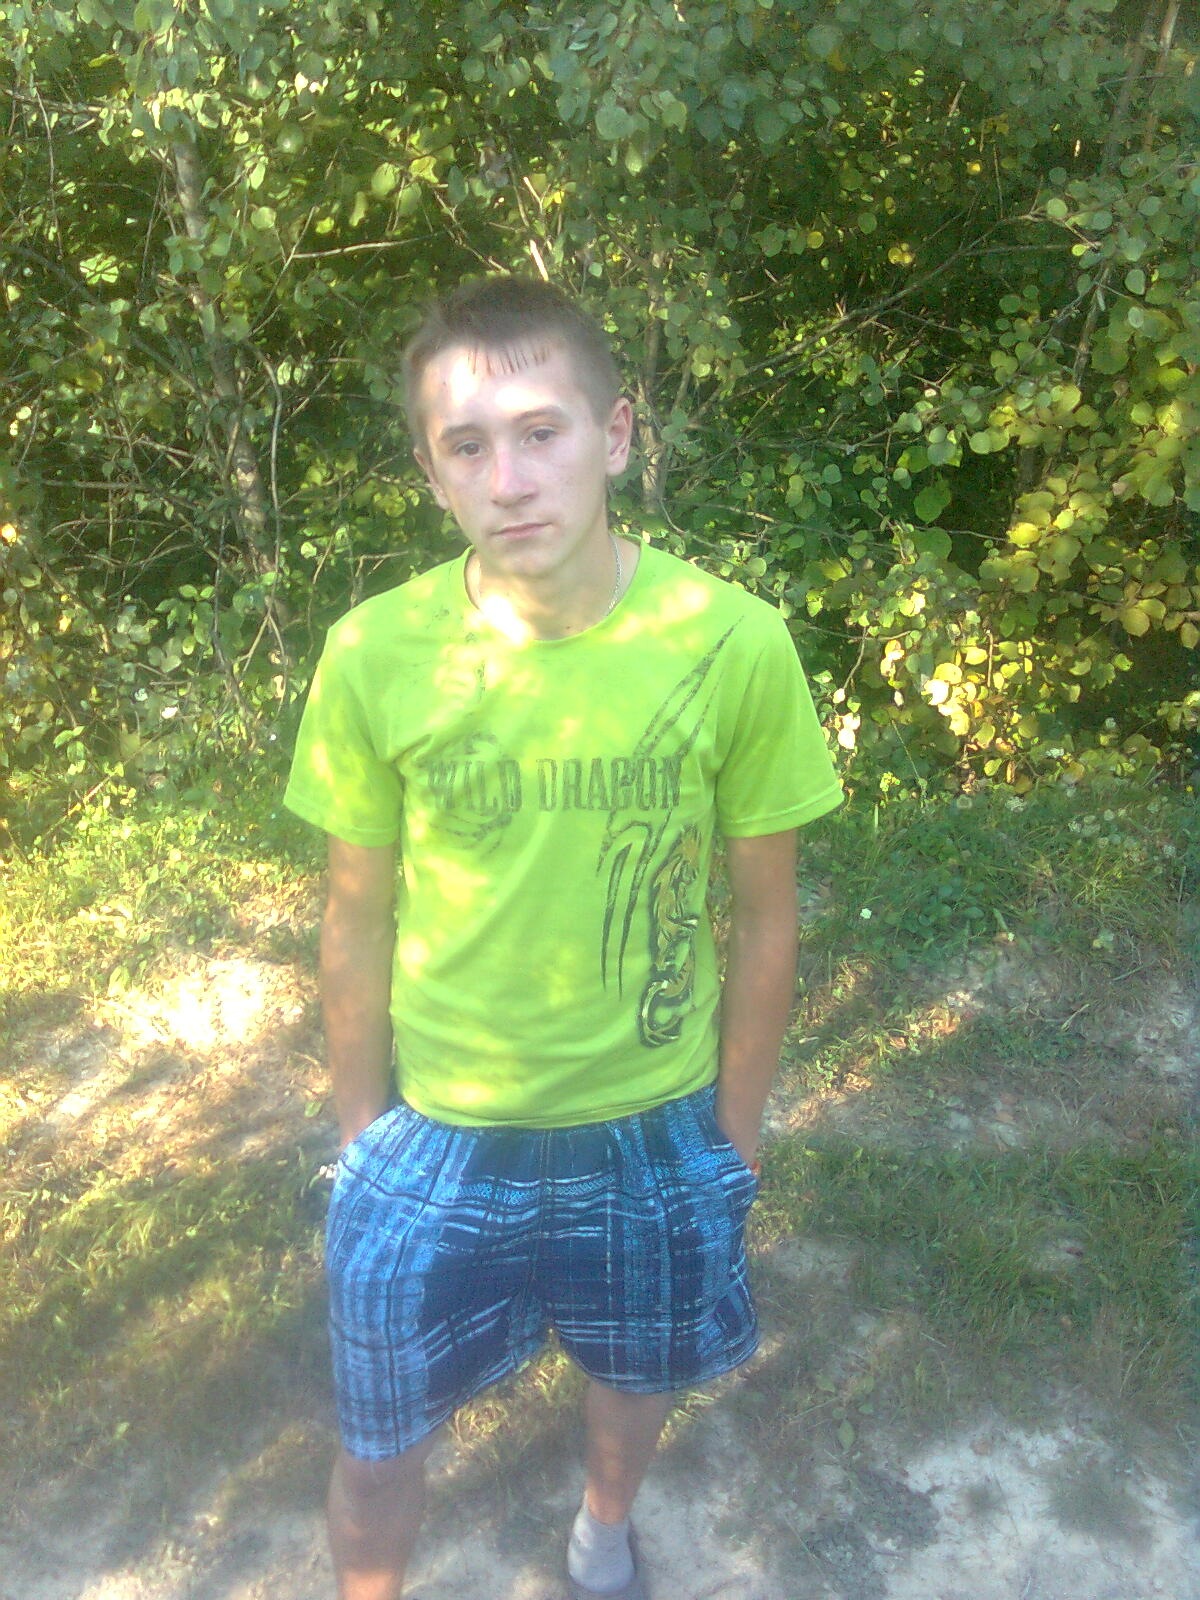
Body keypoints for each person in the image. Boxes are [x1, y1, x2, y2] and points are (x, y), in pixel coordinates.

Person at [283, 276, 843, 1600]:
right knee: (377, 1440)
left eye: (542, 431)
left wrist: (735, 1139)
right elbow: (354, 916)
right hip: (438, 1129)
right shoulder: (374, 653)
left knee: (636, 1370)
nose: (510, 479)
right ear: (431, 473)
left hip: (654, 1122)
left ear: (618, 435)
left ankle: (603, 1528)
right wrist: (363, 1139)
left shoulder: (731, 643)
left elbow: (766, 915)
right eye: (467, 446)